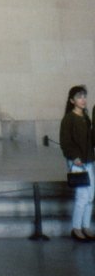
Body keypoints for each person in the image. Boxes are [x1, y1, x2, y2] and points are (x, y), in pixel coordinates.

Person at [59, 86, 94, 242]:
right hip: (78, 162)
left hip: (89, 161)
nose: (83, 100)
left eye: (84, 96)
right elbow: (65, 142)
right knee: (82, 196)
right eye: (79, 97)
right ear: (72, 100)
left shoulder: (86, 118)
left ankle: (86, 226)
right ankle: (76, 228)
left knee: (91, 196)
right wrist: (74, 157)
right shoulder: (68, 119)